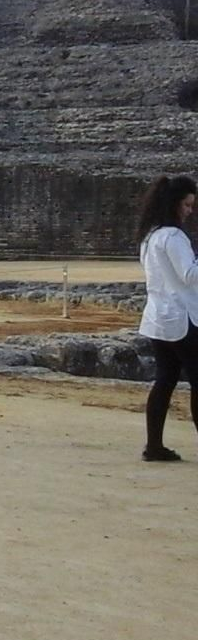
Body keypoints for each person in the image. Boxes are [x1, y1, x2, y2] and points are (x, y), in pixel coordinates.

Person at [137, 175, 198, 461]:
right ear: (175, 204)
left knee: (165, 380)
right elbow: (189, 275)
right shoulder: (174, 238)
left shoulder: (150, 237)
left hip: (158, 319)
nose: (189, 211)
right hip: (182, 319)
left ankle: (154, 445)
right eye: (187, 205)